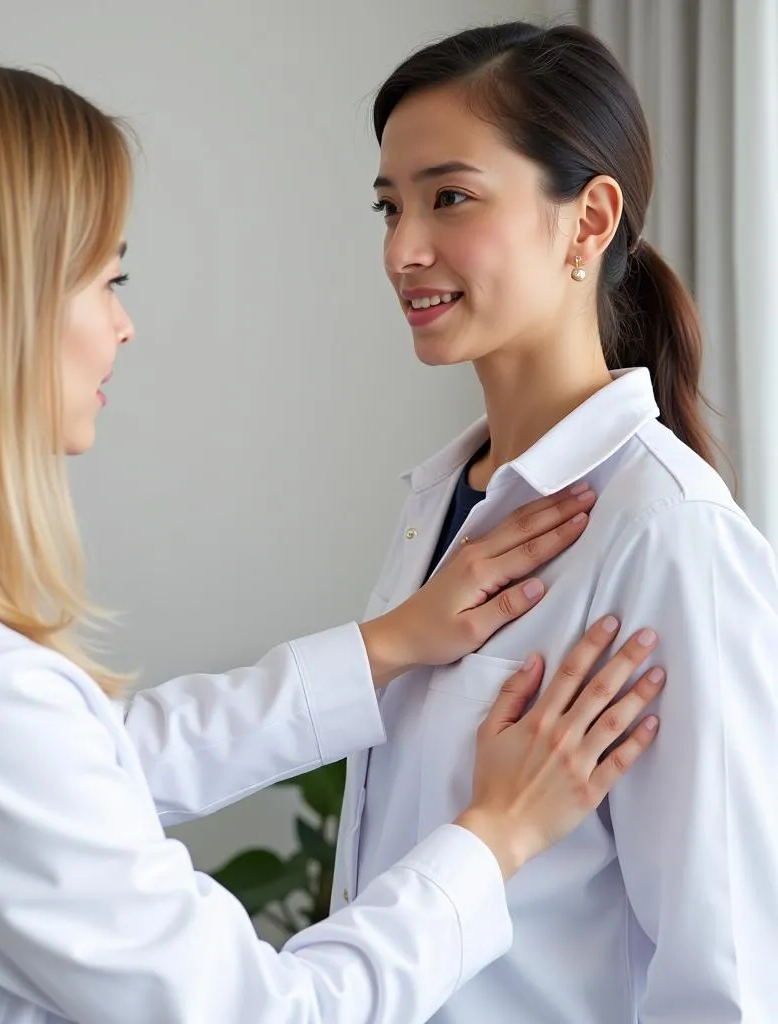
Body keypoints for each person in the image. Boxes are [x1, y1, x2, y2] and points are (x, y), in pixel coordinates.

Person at [0, 50, 662, 1024]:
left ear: (590, 221)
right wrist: (495, 835)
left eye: (449, 197)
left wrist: (384, 647)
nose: (125, 325)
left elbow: (91, 765)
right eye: (108, 279)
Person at [333, 19, 778, 1023]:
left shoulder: (667, 532)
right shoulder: (437, 505)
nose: (403, 249)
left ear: (587, 222)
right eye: (387, 206)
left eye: (449, 197)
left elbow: (730, 971)